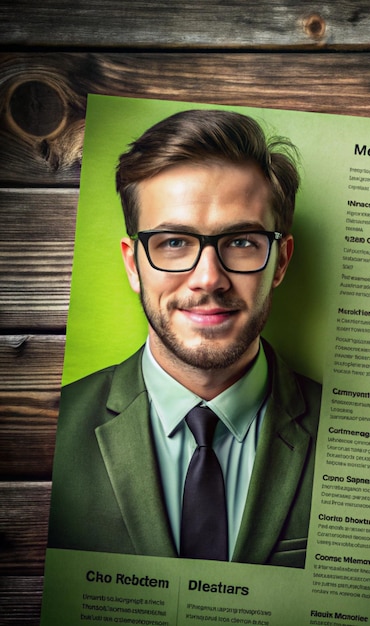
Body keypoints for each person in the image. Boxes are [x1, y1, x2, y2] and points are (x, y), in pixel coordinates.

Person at [47, 109, 321, 569]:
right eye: (174, 242)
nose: (208, 279)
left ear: (282, 261)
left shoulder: (357, 442)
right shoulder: (47, 432)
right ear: (134, 264)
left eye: (242, 241)